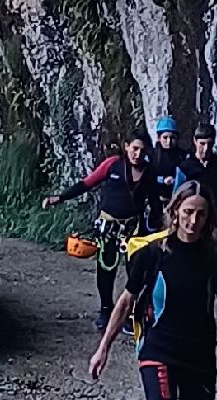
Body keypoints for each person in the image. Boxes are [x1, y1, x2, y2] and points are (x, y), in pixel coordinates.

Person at [89, 181, 217, 400]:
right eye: (188, 212)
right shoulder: (152, 254)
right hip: (158, 349)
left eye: (201, 214)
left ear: (208, 218)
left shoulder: (216, 258)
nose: (193, 221)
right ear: (175, 211)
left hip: (200, 354)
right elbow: (126, 302)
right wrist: (103, 348)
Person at [42, 136, 166, 333]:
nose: (137, 154)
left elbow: (155, 203)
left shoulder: (149, 173)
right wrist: (60, 197)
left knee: (136, 271)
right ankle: (106, 309)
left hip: (133, 229)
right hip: (108, 226)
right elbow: (87, 183)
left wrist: (160, 230)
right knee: (106, 269)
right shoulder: (113, 165)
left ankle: (129, 313)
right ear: (126, 147)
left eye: (142, 151)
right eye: (134, 149)